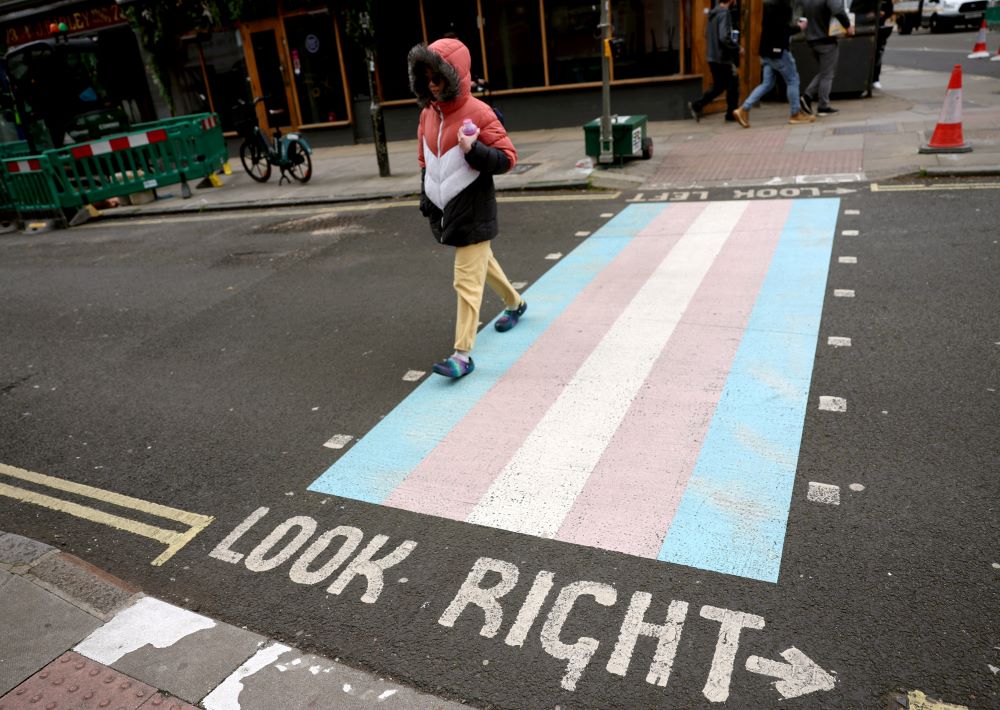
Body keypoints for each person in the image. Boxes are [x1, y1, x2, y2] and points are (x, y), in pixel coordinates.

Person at [407, 37, 526, 379]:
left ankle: (463, 355)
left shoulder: (478, 112)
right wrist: (426, 197)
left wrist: (474, 150)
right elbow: (424, 161)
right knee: (483, 265)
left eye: (437, 76)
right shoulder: (427, 114)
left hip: (474, 210)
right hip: (448, 212)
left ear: (453, 73)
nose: (431, 83)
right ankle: (516, 303)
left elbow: (508, 159)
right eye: (425, 76)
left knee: (466, 279)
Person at [732, 0, 815, 127]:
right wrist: (800, 27)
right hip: (779, 51)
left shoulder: (767, 5)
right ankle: (795, 113)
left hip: (766, 51)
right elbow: (783, 29)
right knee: (793, 80)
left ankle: (743, 109)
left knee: (767, 84)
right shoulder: (783, 6)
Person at [688, 0, 743, 123]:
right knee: (733, 84)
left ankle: (697, 105)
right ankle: (731, 114)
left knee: (719, 86)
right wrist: (737, 48)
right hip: (723, 58)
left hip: (712, 56)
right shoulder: (724, 14)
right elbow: (724, 36)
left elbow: (707, 34)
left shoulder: (713, 14)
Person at [799, 0, 855, 116]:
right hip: (826, 40)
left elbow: (802, 16)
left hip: (811, 40)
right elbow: (838, 11)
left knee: (825, 72)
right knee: (827, 74)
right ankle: (821, 105)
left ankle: (808, 97)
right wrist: (848, 26)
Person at [872, 0, 894, 90]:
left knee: (878, 54)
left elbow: (889, 10)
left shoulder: (886, 2)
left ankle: (875, 79)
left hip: (880, 28)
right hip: (868, 25)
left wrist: (883, 14)